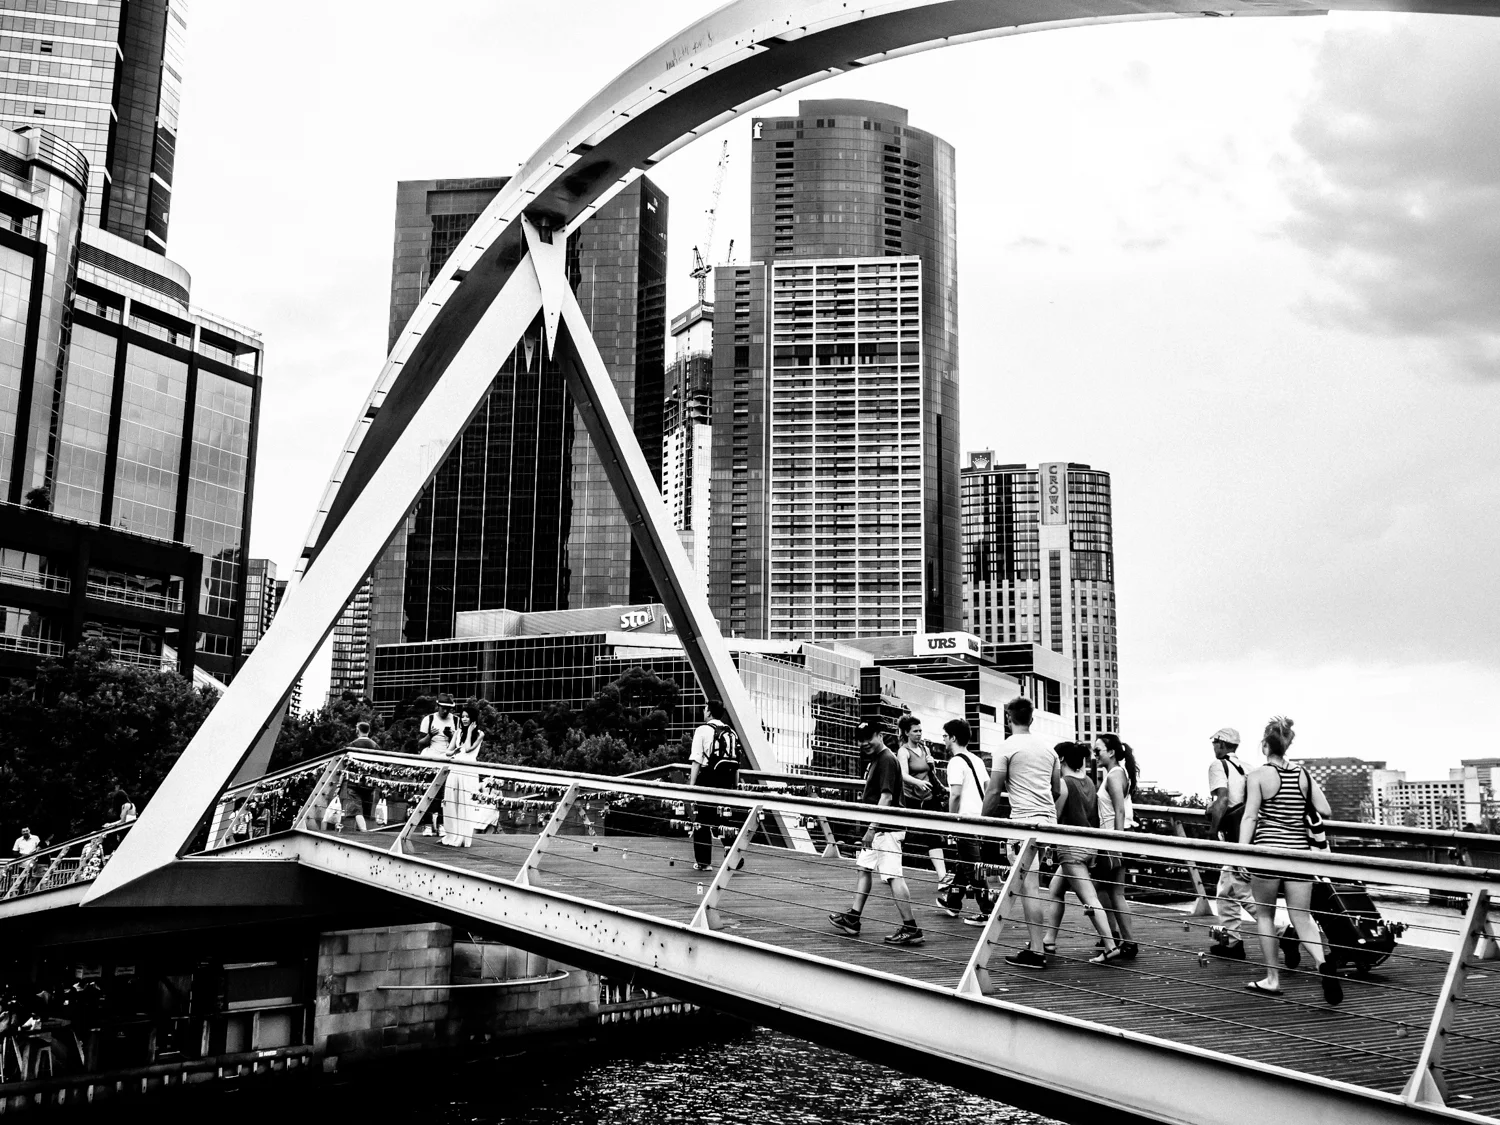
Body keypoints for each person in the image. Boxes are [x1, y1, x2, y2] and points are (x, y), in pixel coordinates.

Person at [1239, 716, 1342, 1004]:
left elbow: (1250, 816)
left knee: (1265, 916)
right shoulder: (1303, 775)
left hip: (1267, 853)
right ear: (1287, 745)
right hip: (1298, 855)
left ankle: (1272, 979)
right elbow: (1325, 809)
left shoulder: (1257, 776)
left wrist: (1241, 853)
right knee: (1302, 917)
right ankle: (1323, 965)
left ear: (1265, 745)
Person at [983, 696, 1063, 969]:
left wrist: (982, 823)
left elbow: (994, 791)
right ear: (1031, 719)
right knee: (1033, 884)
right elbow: (1056, 790)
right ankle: (1039, 943)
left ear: (1008, 718)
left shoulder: (1006, 747)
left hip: (1023, 823)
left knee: (1029, 888)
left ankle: (1037, 951)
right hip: (1048, 822)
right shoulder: (1049, 749)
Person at [829, 722, 923, 946]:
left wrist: (871, 828)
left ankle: (911, 928)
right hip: (879, 828)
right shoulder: (877, 759)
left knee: (893, 876)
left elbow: (886, 798)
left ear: (880, 736)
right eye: (860, 739)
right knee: (864, 868)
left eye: (868, 738)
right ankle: (853, 918)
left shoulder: (886, 759)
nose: (864, 743)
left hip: (886, 829)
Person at [1040, 742, 1123, 963]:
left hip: (1070, 849)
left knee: (1089, 898)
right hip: (1088, 846)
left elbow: (1055, 817)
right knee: (1055, 889)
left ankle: (1110, 946)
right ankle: (1049, 940)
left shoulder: (1063, 783)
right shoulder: (1088, 782)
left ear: (1062, 759)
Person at [1206, 726, 1254, 959]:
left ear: (1222, 744)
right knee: (1225, 891)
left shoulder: (1218, 766)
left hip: (1232, 837)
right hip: (1248, 833)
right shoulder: (1249, 769)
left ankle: (1284, 932)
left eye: (1215, 743)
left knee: (1242, 890)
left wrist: (1213, 830)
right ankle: (1232, 942)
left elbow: (1223, 799)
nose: (1213, 747)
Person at [938, 719, 992, 920]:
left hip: (963, 819)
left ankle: (988, 910)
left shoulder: (955, 762)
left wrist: (951, 820)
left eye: (945, 736)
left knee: (973, 865)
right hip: (977, 818)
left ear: (953, 738)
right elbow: (987, 789)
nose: (943, 739)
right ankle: (953, 902)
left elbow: (955, 794)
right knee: (965, 860)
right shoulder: (977, 760)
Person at [1093, 733, 1139, 959]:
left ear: (1111, 752)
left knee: (1112, 891)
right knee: (1106, 889)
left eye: (1098, 751)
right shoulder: (1119, 773)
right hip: (1115, 835)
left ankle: (1124, 940)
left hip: (1114, 836)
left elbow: (1119, 810)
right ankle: (1116, 937)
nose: (1094, 755)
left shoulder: (1114, 776)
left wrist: (1116, 843)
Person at [895, 714, 949, 890]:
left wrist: (932, 765)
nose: (919, 734)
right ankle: (887, 869)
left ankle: (942, 877)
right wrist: (918, 783)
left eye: (920, 731)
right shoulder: (903, 751)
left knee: (933, 835)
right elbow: (902, 775)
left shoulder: (925, 749)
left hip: (928, 798)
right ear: (906, 733)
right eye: (915, 731)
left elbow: (931, 774)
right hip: (910, 799)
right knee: (902, 835)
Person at [687, 701, 743, 871]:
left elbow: (697, 759)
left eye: (705, 709)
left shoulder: (702, 730)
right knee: (722, 817)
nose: (703, 712)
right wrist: (734, 785)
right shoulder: (731, 731)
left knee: (702, 819)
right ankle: (733, 854)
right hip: (727, 780)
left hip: (708, 778)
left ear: (709, 712)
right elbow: (736, 762)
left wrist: (691, 786)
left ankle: (704, 862)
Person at [440, 705, 485, 847]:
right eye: (463, 716)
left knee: (465, 802)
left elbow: (468, 749)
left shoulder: (480, 734)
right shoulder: (458, 732)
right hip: (456, 767)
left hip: (469, 769)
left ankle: (463, 836)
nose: (464, 719)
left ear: (473, 718)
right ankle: (452, 834)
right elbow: (448, 751)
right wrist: (454, 752)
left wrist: (470, 731)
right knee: (452, 800)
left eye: (467, 716)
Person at [417, 694, 458, 835]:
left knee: (445, 794)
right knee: (428, 792)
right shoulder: (428, 719)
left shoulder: (456, 721)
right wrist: (430, 735)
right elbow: (420, 743)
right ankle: (427, 824)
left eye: (448, 708)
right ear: (438, 706)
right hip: (431, 759)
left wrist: (451, 736)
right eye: (443, 708)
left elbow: (461, 745)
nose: (445, 711)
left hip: (448, 760)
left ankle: (441, 824)